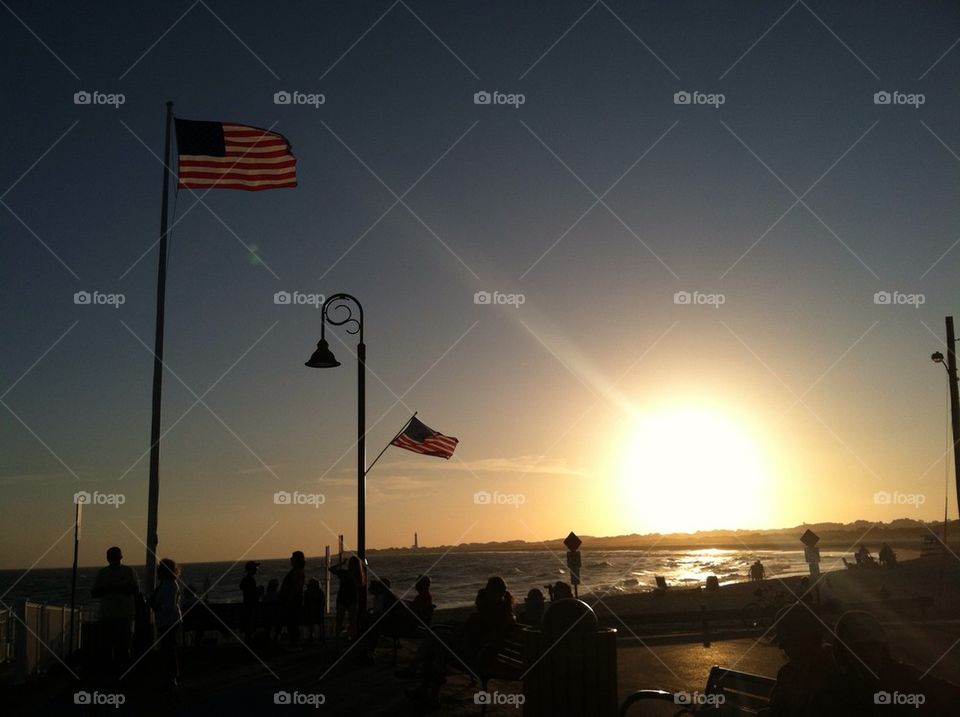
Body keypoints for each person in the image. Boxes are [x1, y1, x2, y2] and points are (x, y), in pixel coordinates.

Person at [831, 611, 958, 714]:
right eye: (858, 649)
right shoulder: (834, 691)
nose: (868, 655)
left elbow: (948, 694)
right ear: (844, 654)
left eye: (873, 647)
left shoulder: (904, 677)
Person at [763, 603, 841, 716]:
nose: (781, 647)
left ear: (804, 640)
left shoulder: (830, 675)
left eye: (786, 642)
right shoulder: (789, 673)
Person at [91, 546, 140, 679]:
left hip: (124, 615)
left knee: (123, 647)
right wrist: (107, 589)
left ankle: (123, 674)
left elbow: (136, 590)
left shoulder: (129, 572)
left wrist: (121, 589)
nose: (114, 561)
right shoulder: (102, 573)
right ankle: (109, 674)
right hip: (107, 615)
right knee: (106, 647)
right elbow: (94, 592)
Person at [150, 558, 182, 691]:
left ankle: (171, 677)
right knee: (168, 648)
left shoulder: (169, 585)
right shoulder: (168, 584)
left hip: (168, 620)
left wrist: (156, 605)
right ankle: (170, 676)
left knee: (168, 649)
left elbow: (167, 604)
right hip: (168, 620)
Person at [329, 555, 366, 641]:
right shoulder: (352, 574)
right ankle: (348, 637)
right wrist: (341, 564)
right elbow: (331, 569)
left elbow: (331, 569)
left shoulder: (350, 574)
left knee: (346, 620)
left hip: (347, 598)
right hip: (348, 598)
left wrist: (342, 565)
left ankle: (347, 637)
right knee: (346, 620)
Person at [279, 551, 306, 647]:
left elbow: (295, 588)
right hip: (293, 602)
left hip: (292, 603)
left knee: (292, 624)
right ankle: (294, 642)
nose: (291, 560)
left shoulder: (296, 573)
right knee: (293, 624)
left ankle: (294, 643)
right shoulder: (299, 572)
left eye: (292, 559)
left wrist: (289, 600)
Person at [239, 560, 262, 643]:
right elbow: (252, 594)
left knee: (249, 630)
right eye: (255, 567)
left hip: (248, 607)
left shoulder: (247, 579)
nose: (257, 569)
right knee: (249, 628)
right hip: (250, 607)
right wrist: (259, 591)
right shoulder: (250, 579)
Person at [303, 578, 325, 644]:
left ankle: (311, 636)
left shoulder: (307, 593)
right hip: (319, 613)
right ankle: (321, 637)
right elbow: (323, 603)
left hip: (310, 613)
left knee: (310, 622)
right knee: (320, 623)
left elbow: (305, 604)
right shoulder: (320, 592)